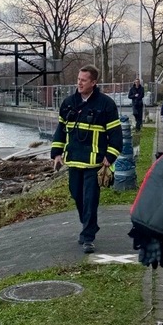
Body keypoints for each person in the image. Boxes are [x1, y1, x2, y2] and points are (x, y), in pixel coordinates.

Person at [52, 66, 122, 253]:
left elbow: (115, 134)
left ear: (93, 82)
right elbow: (60, 130)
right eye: (78, 79)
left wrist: (110, 156)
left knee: (90, 199)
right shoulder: (68, 103)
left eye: (84, 80)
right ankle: (89, 225)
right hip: (74, 160)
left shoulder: (106, 104)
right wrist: (57, 154)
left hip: (95, 162)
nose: (79, 83)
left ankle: (87, 237)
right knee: (77, 195)